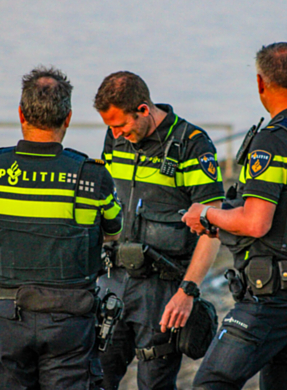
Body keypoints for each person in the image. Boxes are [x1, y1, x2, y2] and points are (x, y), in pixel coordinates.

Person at [182, 43, 287, 390]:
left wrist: (207, 213)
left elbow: (256, 222)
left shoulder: (273, 141)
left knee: (213, 381)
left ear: (260, 83)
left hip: (273, 295)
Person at [0, 66, 123, 390]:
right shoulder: (91, 176)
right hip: (70, 321)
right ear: (68, 117)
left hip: (6, 315)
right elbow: (115, 230)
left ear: (20, 113)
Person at [93, 71, 225, 390]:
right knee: (95, 378)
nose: (116, 134)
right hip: (113, 282)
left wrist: (187, 292)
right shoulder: (115, 139)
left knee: (154, 385)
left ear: (143, 109)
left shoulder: (191, 144)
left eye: (120, 125)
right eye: (110, 127)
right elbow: (103, 207)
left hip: (163, 292)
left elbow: (213, 228)